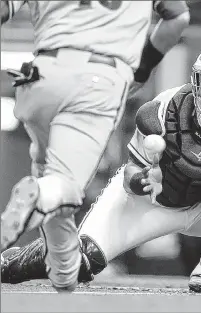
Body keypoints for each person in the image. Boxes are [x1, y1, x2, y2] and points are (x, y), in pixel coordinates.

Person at [1, 40, 201, 294]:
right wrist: (143, 180)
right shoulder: (165, 109)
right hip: (150, 200)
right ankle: (6, 265)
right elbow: (131, 176)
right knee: (78, 262)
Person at [0, 0, 190, 292]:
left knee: (50, 176)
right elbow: (178, 17)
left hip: (40, 75)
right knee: (62, 187)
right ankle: (40, 196)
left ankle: (64, 269)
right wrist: (141, 71)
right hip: (98, 77)